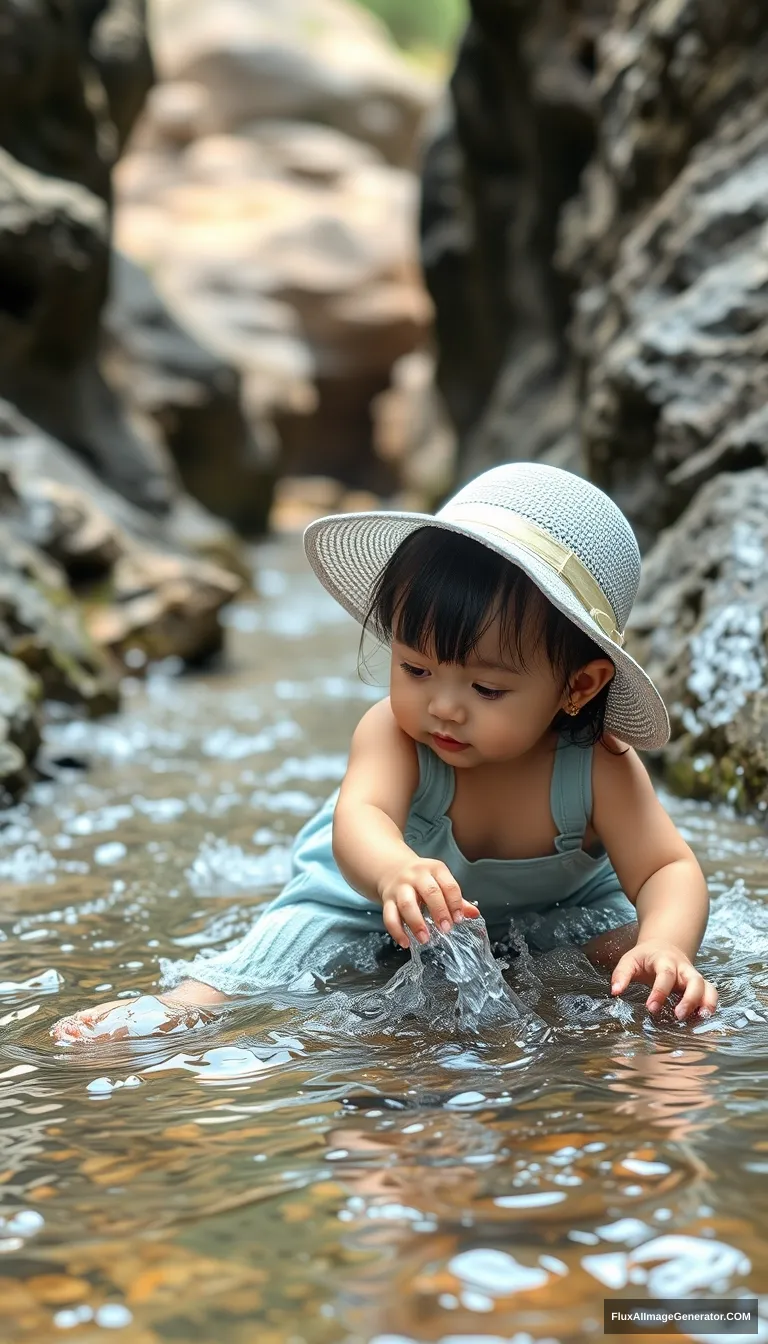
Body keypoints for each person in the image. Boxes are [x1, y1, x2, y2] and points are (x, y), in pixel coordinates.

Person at [51, 462, 718, 1042]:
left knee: (634, 953)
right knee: (293, 945)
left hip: (556, 914)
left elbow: (667, 868)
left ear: (578, 686)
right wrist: (395, 868)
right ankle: (188, 1006)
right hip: (368, 900)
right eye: (416, 669)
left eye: (486, 686)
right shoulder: (395, 734)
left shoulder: (597, 762)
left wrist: (666, 943)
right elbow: (360, 821)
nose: (443, 707)